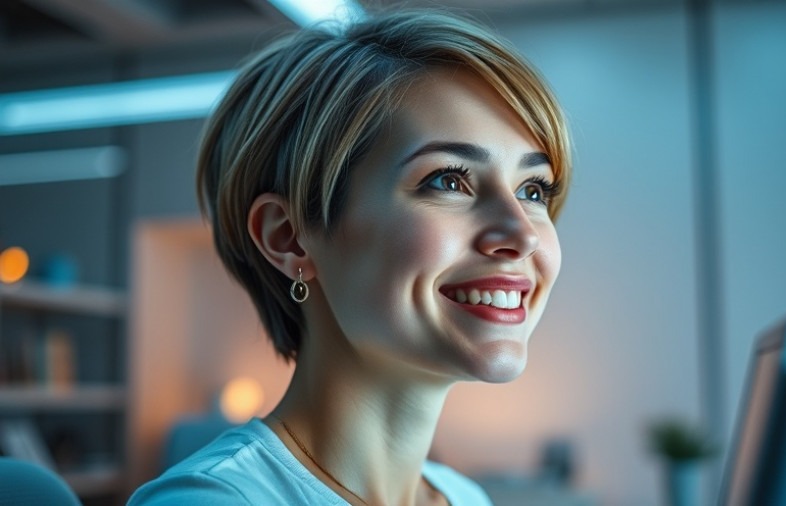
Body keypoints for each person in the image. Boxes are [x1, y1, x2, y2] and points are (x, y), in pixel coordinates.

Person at [129, 8, 571, 506]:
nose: (523, 235)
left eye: (533, 189)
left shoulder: (466, 498)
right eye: (448, 180)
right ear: (289, 238)